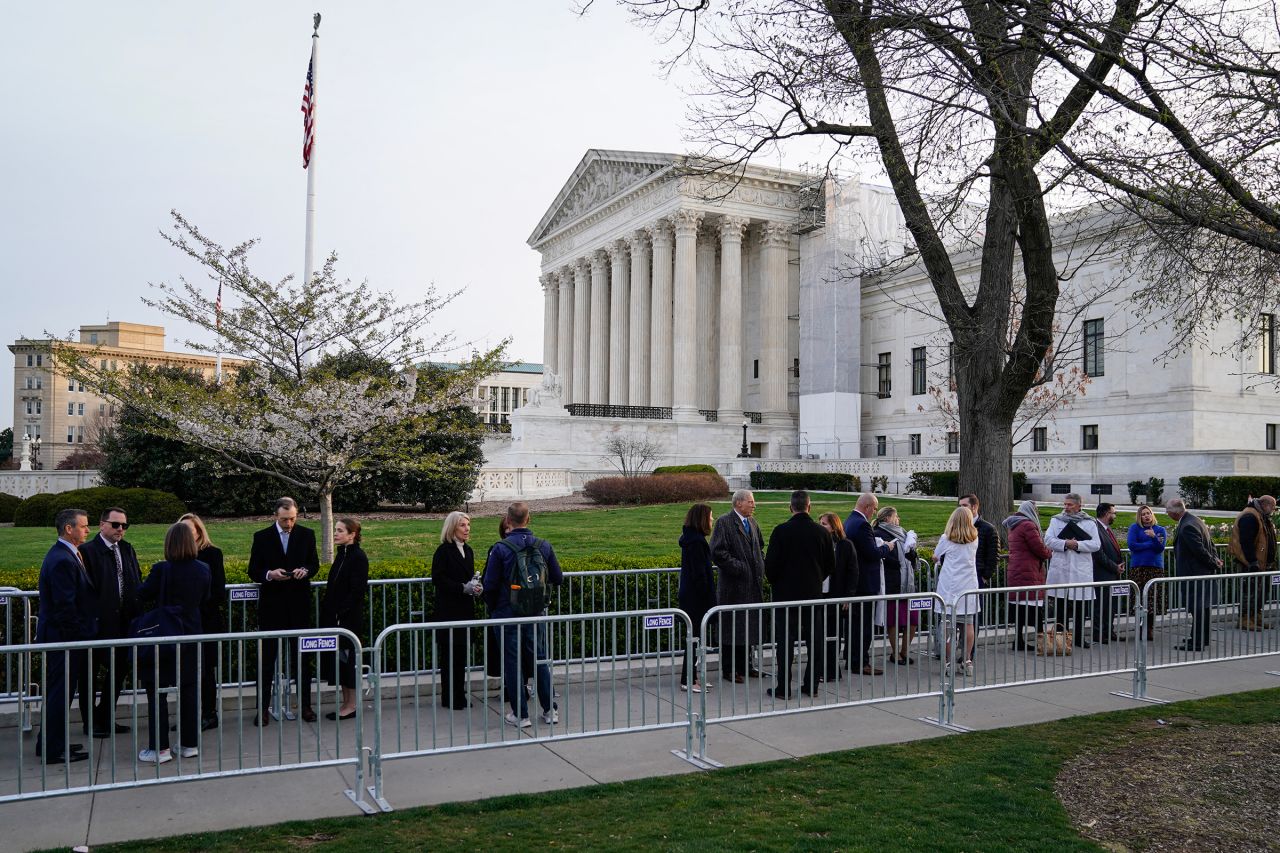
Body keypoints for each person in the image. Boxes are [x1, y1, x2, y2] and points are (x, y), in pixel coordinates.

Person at [482, 501, 564, 727]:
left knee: (511, 663)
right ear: (528, 519)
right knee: (539, 661)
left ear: (508, 520)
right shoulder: (543, 546)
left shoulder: (500, 548)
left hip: (507, 614)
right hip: (535, 613)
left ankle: (521, 714)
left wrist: (495, 608)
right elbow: (558, 577)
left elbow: (488, 585)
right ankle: (549, 710)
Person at [136, 521, 211, 764]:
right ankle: (189, 744)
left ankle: (160, 748)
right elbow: (205, 598)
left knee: (156, 690)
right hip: (191, 635)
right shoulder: (203, 569)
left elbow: (143, 593)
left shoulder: (161, 570)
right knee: (189, 690)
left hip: (165, 636)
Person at [247, 497, 320, 726]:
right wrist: (270, 574)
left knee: (302, 659)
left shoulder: (307, 535)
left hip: (298, 605)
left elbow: (314, 564)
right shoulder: (262, 537)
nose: (289, 524)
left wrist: (305, 570)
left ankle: (306, 705)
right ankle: (263, 709)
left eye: (292, 519)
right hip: (272, 607)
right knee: (267, 661)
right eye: (284, 520)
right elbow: (253, 570)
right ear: (275, 516)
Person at [34, 508, 97, 764]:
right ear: (68, 529)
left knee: (60, 693)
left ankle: (51, 742)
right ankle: (53, 749)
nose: (88, 530)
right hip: (64, 639)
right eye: (83, 526)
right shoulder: (61, 559)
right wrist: (78, 638)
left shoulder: (67, 554)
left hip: (63, 638)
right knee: (60, 694)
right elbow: (65, 606)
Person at [78, 506, 142, 737]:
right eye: (116, 525)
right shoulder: (87, 551)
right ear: (102, 524)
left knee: (117, 672)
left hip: (124, 624)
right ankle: (90, 722)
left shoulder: (126, 549)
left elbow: (136, 579)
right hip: (97, 626)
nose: (120, 529)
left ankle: (105, 718)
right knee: (90, 675)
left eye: (124, 525)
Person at [763, 491, 833, 698]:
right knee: (815, 642)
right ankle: (811, 685)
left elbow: (771, 566)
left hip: (785, 596)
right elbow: (830, 564)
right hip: (812, 594)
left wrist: (779, 582)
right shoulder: (821, 533)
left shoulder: (781, 531)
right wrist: (815, 578)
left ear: (790, 507)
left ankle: (783, 688)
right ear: (809, 507)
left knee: (785, 644)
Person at [710, 489, 766, 683]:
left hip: (751, 586)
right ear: (739, 503)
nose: (754, 505)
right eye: (750, 502)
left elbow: (759, 546)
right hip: (733, 587)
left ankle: (746, 666)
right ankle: (729, 670)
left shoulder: (752, 522)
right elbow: (718, 552)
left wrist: (760, 565)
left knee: (748, 629)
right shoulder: (724, 523)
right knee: (731, 631)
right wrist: (739, 567)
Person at [319, 518, 370, 720]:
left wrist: (341, 612)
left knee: (348, 662)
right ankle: (346, 703)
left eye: (340, 531)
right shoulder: (342, 555)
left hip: (347, 621)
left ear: (352, 534)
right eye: (336, 530)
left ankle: (352, 705)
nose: (336, 534)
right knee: (339, 662)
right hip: (336, 618)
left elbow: (357, 590)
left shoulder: (358, 557)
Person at [180, 513, 225, 731]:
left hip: (205, 621)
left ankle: (209, 713)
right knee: (186, 671)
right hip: (182, 624)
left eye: (191, 529)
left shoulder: (212, 554)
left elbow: (218, 591)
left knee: (206, 671)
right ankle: (189, 714)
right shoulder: (177, 555)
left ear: (199, 531)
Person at [431, 511, 479, 710]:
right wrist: (461, 588)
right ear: (453, 528)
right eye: (462, 525)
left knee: (461, 657)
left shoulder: (468, 550)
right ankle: (450, 697)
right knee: (449, 657)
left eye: (468, 525)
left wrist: (476, 587)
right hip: (448, 611)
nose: (467, 529)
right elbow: (438, 579)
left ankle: (460, 695)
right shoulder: (443, 551)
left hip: (465, 610)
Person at [1045, 494, 1101, 648]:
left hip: (1080, 570)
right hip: (1061, 569)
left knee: (1080, 609)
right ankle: (1062, 640)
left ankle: (1078, 638)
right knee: (1061, 608)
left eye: (1070, 504)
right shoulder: (1056, 520)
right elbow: (1048, 540)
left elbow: (1096, 544)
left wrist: (1077, 546)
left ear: (1079, 505)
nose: (1066, 507)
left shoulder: (1089, 522)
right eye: (1065, 504)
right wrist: (1066, 543)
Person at [843, 493, 891, 675]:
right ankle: (860, 662)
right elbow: (871, 553)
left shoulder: (850, 520)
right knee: (862, 626)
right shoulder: (862, 524)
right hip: (864, 583)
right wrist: (887, 548)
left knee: (854, 626)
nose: (875, 512)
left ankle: (852, 659)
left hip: (855, 583)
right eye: (875, 509)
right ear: (868, 507)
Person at [1166, 498, 1222, 651]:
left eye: (1168, 511)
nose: (1167, 513)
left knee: (1197, 608)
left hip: (1194, 573)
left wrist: (1213, 563)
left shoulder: (1187, 526)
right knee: (1202, 608)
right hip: (1200, 573)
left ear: (1174, 512)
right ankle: (1200, 638)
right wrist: (1216, 560)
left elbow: (1200, 551)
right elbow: (1211, 545)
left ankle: (1197, 642)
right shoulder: (1195, 520)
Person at [933, 506, 981, 674]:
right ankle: (967, 660)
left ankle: (948, 662)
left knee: (947, 626)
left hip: (950, 586)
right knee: (968, 624)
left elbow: (935, 556)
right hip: (968, 584)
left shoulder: (946, 539)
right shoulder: (974, 538)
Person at [678, 503, 716, 693]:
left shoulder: (693, 539)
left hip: (692, 596)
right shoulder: (697, 542)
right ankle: (688, 679)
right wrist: (707, 596)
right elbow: (699, 574)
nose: (712, 520)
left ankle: (693, 677)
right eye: (710, 517)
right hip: (696, 599)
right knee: (694, 640)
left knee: (696, 640)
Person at [1002, 500, 1050, 650]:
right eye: (1036, 509)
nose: (1037, 512)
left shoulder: (1014, 525)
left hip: (1017, 570)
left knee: (1019, 609)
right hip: (1029, 571)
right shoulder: (1028, 525)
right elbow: (1039, 549)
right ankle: (1043, 643)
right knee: (1035, 609)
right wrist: (1050, 552)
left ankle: (1019, 641)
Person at [875, 506, 919, 665]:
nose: (898, 519)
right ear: (887, 518)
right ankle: (895, 653)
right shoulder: (879, 533)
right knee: (893, 620)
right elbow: (882, 557)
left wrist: (912, 550)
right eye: (896, 516)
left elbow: (911, 557)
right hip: (892, 583)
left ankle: (905, 651)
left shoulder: (904, 533)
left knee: (913, 619)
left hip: (908, 584)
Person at [1227, 494, 1276, 631]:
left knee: (1261, 593)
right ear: (1265, 505)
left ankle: (1255, 616)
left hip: (1261, 563)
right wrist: (1252, 561)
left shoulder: (1259, 515)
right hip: (1250, 563)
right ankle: (1245, 619)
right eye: (1272, 507)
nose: (1273, 510)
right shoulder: (1250, 516)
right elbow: (1246, 542)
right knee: (1249, 592)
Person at [957, 494, 997, 661]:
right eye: (959, 505)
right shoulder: (956, 526)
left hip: (977, 577)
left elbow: (993, 555)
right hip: (958, 578)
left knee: (973, 617)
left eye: (964, 505)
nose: (960, 509)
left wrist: (985, 576)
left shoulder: (987, 528)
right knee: (958, 617)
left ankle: (968, 654)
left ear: (974, 507)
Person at [818, 512, 857, 678]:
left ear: (834, 526)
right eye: (820, 523)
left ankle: (832, 670)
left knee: (833, 635)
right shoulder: (818, 543)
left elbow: (853, 571)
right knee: (820, 635)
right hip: (820, 596)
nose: (821, 526)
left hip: (836, 596)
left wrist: (848, 595)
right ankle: (823, 669)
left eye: (824, 524)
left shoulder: (845, 545)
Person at [1126, 505, 1167, 642]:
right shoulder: (1134, 528)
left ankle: (1149, 629)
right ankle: (1139, 627)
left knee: (1152, 600)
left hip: (1155, 568)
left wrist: (1154, 537)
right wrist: (1150, 544)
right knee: (1138, 600)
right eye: (1143, 514)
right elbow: (1132, 545)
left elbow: (1160, 548)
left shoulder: (1160, 530)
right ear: (1140, 516)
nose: (1146, 516)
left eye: (1148, 513)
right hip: (1138, 568)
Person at [1091, 503, 1124, 644]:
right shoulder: (1096, 529)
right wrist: (1114, 567)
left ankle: (1109, 631)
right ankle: (1099, 634)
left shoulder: (1106, 529)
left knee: (1110, 606)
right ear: (1106, 514)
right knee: (1101, 606)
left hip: (1111, 574)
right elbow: (1099, 554)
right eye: (1113, 513)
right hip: (1102, 574)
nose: (1115, 516)